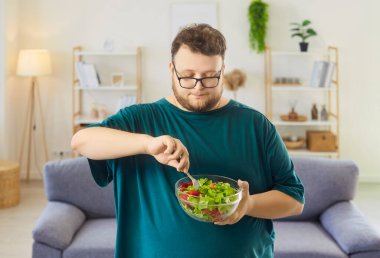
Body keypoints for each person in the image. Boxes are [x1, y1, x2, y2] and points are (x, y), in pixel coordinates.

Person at [71, 23, 305, 258]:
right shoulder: (138, 120)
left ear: (223, 70)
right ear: (172, 70)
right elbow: (81, 141)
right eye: (188, 76)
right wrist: (147, 145)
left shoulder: (255, 125)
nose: (198, 87)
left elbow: (294, 199)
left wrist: (249, 205)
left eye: (209, 77)